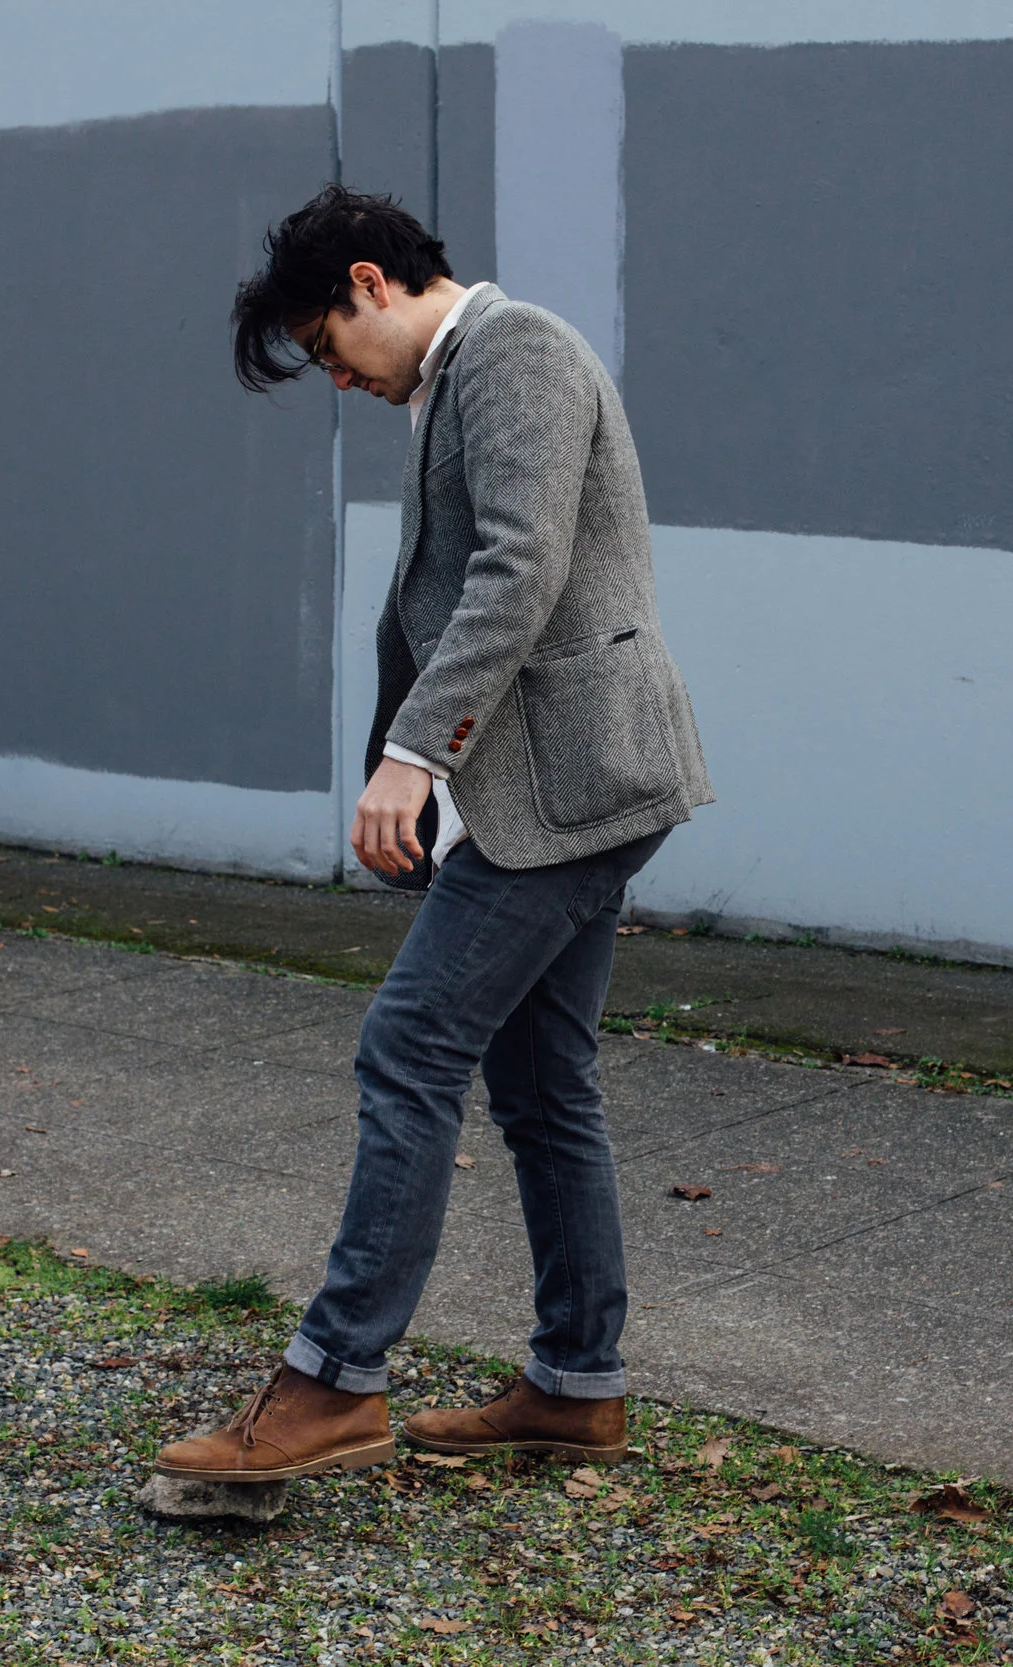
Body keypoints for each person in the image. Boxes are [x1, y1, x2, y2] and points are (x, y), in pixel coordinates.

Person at [154, 186, 711, 1483]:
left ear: (371, 283)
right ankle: (578, 1384)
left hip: (575, 783)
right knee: (539, 1084)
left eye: (327, 346)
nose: (336, 378)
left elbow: (520, 569)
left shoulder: (515, 354)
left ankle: (336, 1381)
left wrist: (413, 760)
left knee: (410, 1045)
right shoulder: (460, 376)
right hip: (560, 783)